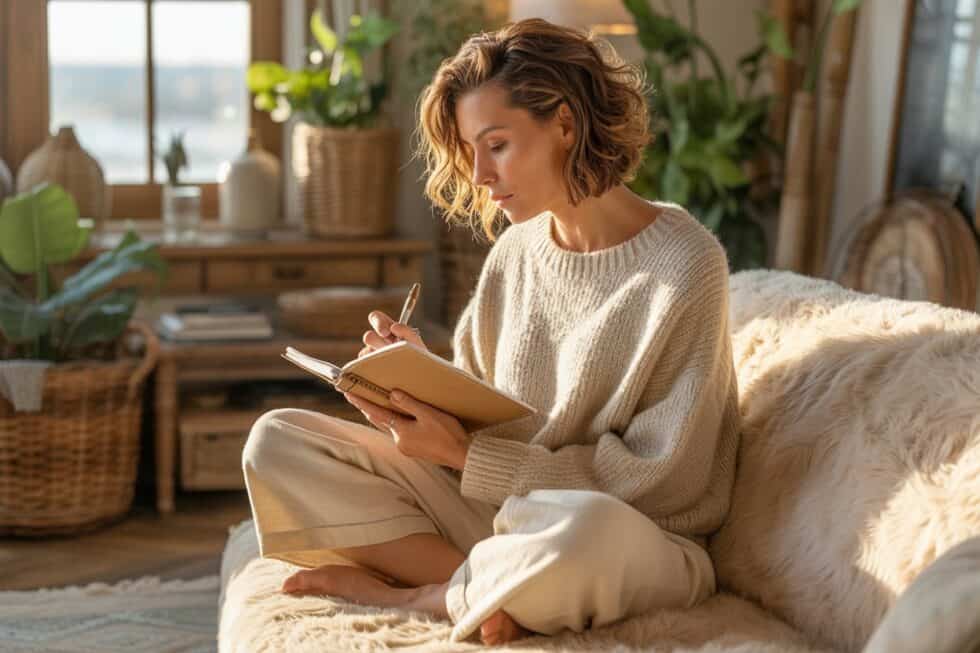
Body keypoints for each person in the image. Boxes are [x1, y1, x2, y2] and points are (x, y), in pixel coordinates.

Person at [242, 17, 740, 647]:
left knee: (589, 531)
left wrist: (463, 454)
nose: (478, 174)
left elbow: (662, 485)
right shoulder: (517, 252)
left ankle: (427, 594)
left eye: (497, 145)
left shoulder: (687, 265)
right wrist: (418, 388)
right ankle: (484, 586)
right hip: (501, 513)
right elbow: (489, 416)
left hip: (632, 540)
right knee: (276, 440)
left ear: (565, 123)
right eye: (470, 150)